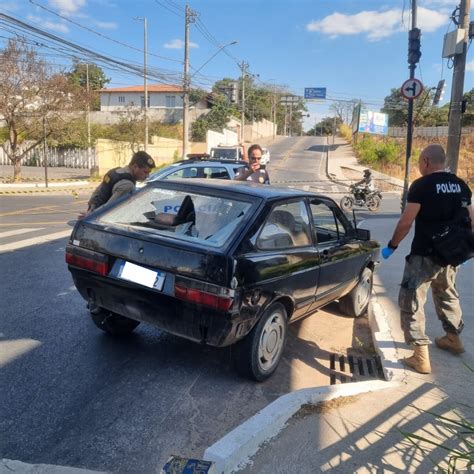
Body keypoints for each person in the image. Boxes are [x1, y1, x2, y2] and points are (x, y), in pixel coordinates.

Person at [381, 144, 473, 374]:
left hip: (425, 254)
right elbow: (472, 219)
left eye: (420, 163)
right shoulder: (461, 185)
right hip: (451, 255)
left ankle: (420, 354)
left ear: (425, 161)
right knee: (447, 294)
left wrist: (391, 246)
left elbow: (406, 222)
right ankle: (453, 338)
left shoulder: (421, 186)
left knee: (411, 297)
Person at [83, 150, 155, 216]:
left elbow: (97, 192)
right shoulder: (127, 185)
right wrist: (91, 215)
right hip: (102, 220)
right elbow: (110, 208)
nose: (147, 176)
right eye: (145, 172)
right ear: (135, 166)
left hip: (94, 211)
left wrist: (91, 209)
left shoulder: (114, 171)